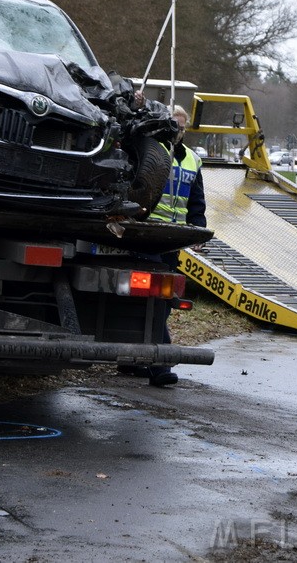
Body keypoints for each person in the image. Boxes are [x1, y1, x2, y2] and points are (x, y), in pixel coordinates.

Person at [122, 104, 207, 387]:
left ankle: (133, 360)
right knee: (152, 300)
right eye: (172, 125)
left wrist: (196, 231)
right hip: (146, 234)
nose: (177, 131)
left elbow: (196, 201)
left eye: (181, 127)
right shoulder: (151, 152)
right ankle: (159, 365)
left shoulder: (193, 160)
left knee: (162, 303)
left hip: (173, 238)